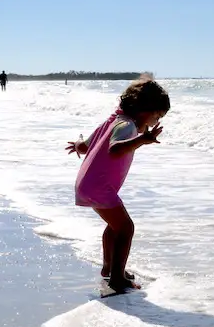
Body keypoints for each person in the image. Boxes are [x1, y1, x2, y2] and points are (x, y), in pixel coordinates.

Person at [66, 77, 170, 293]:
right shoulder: (127, 126)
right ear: (145, 109)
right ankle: (117, 279)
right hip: (99, 187)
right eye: (157, 116)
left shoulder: (111, 121)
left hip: (88, 185)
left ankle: (108, 268)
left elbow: (85, 146)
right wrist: (142, 140)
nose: (155, 122)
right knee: (126, 228)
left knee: (114, 227)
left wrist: (77, 144)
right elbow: (115, 149)